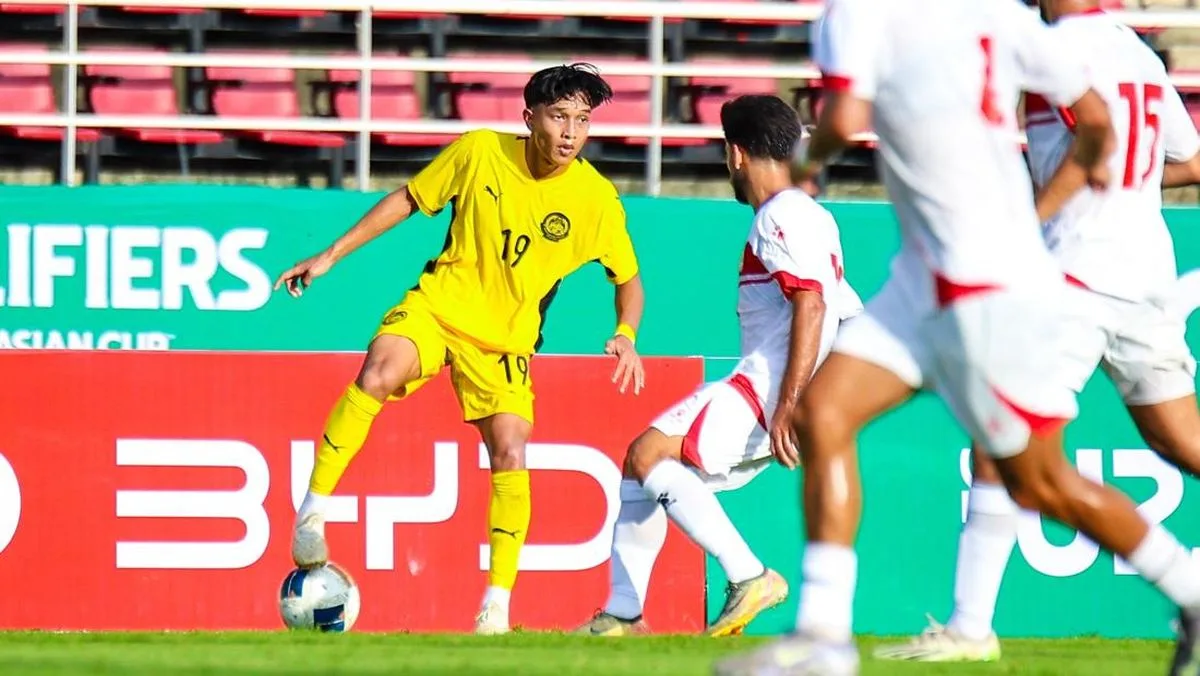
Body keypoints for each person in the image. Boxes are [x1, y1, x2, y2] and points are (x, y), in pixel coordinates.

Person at [714, 1, 1200, 674]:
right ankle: (824, 637)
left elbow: (846, 119)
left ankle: (1188, 589)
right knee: (826, 412)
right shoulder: (1008, 21)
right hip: (925, 273)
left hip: (984, 279)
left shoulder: (859, 15)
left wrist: (809, 163)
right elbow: (1098, 125)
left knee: (1039, 479)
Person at [874, 0, 1200, 663]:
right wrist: (1130, 187)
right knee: (1182, 440)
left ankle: (971, 627)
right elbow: (1192, 162)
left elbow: (1090, 144)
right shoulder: (1138, 54)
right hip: (1147, 273)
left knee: (1003, 438)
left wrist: (1030, 220)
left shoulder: (1056, 49)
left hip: (1079, 271)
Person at [273, 63, 648, 636]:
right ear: (530, 118)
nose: (571, 132)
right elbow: (406, 200)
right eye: (559, 117)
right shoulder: (479, 152)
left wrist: (626, 333)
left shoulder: (596, 199)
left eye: (582, 120)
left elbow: (629, 279)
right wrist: (329, 256)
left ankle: (496, 607)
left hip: (504, 341)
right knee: (377, 373)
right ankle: (313, 512)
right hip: (439, 308)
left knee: (511, 451)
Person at [575, 94, 863, 638]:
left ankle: (747, 575)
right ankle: (623, 611)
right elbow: (845, 311)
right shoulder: (810, 215)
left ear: (736, 154)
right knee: (645, 464)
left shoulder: (780, 214)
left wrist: (791, 402)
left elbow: (812, 303)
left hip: (769, 386)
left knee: (647, 453)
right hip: (786, 386)